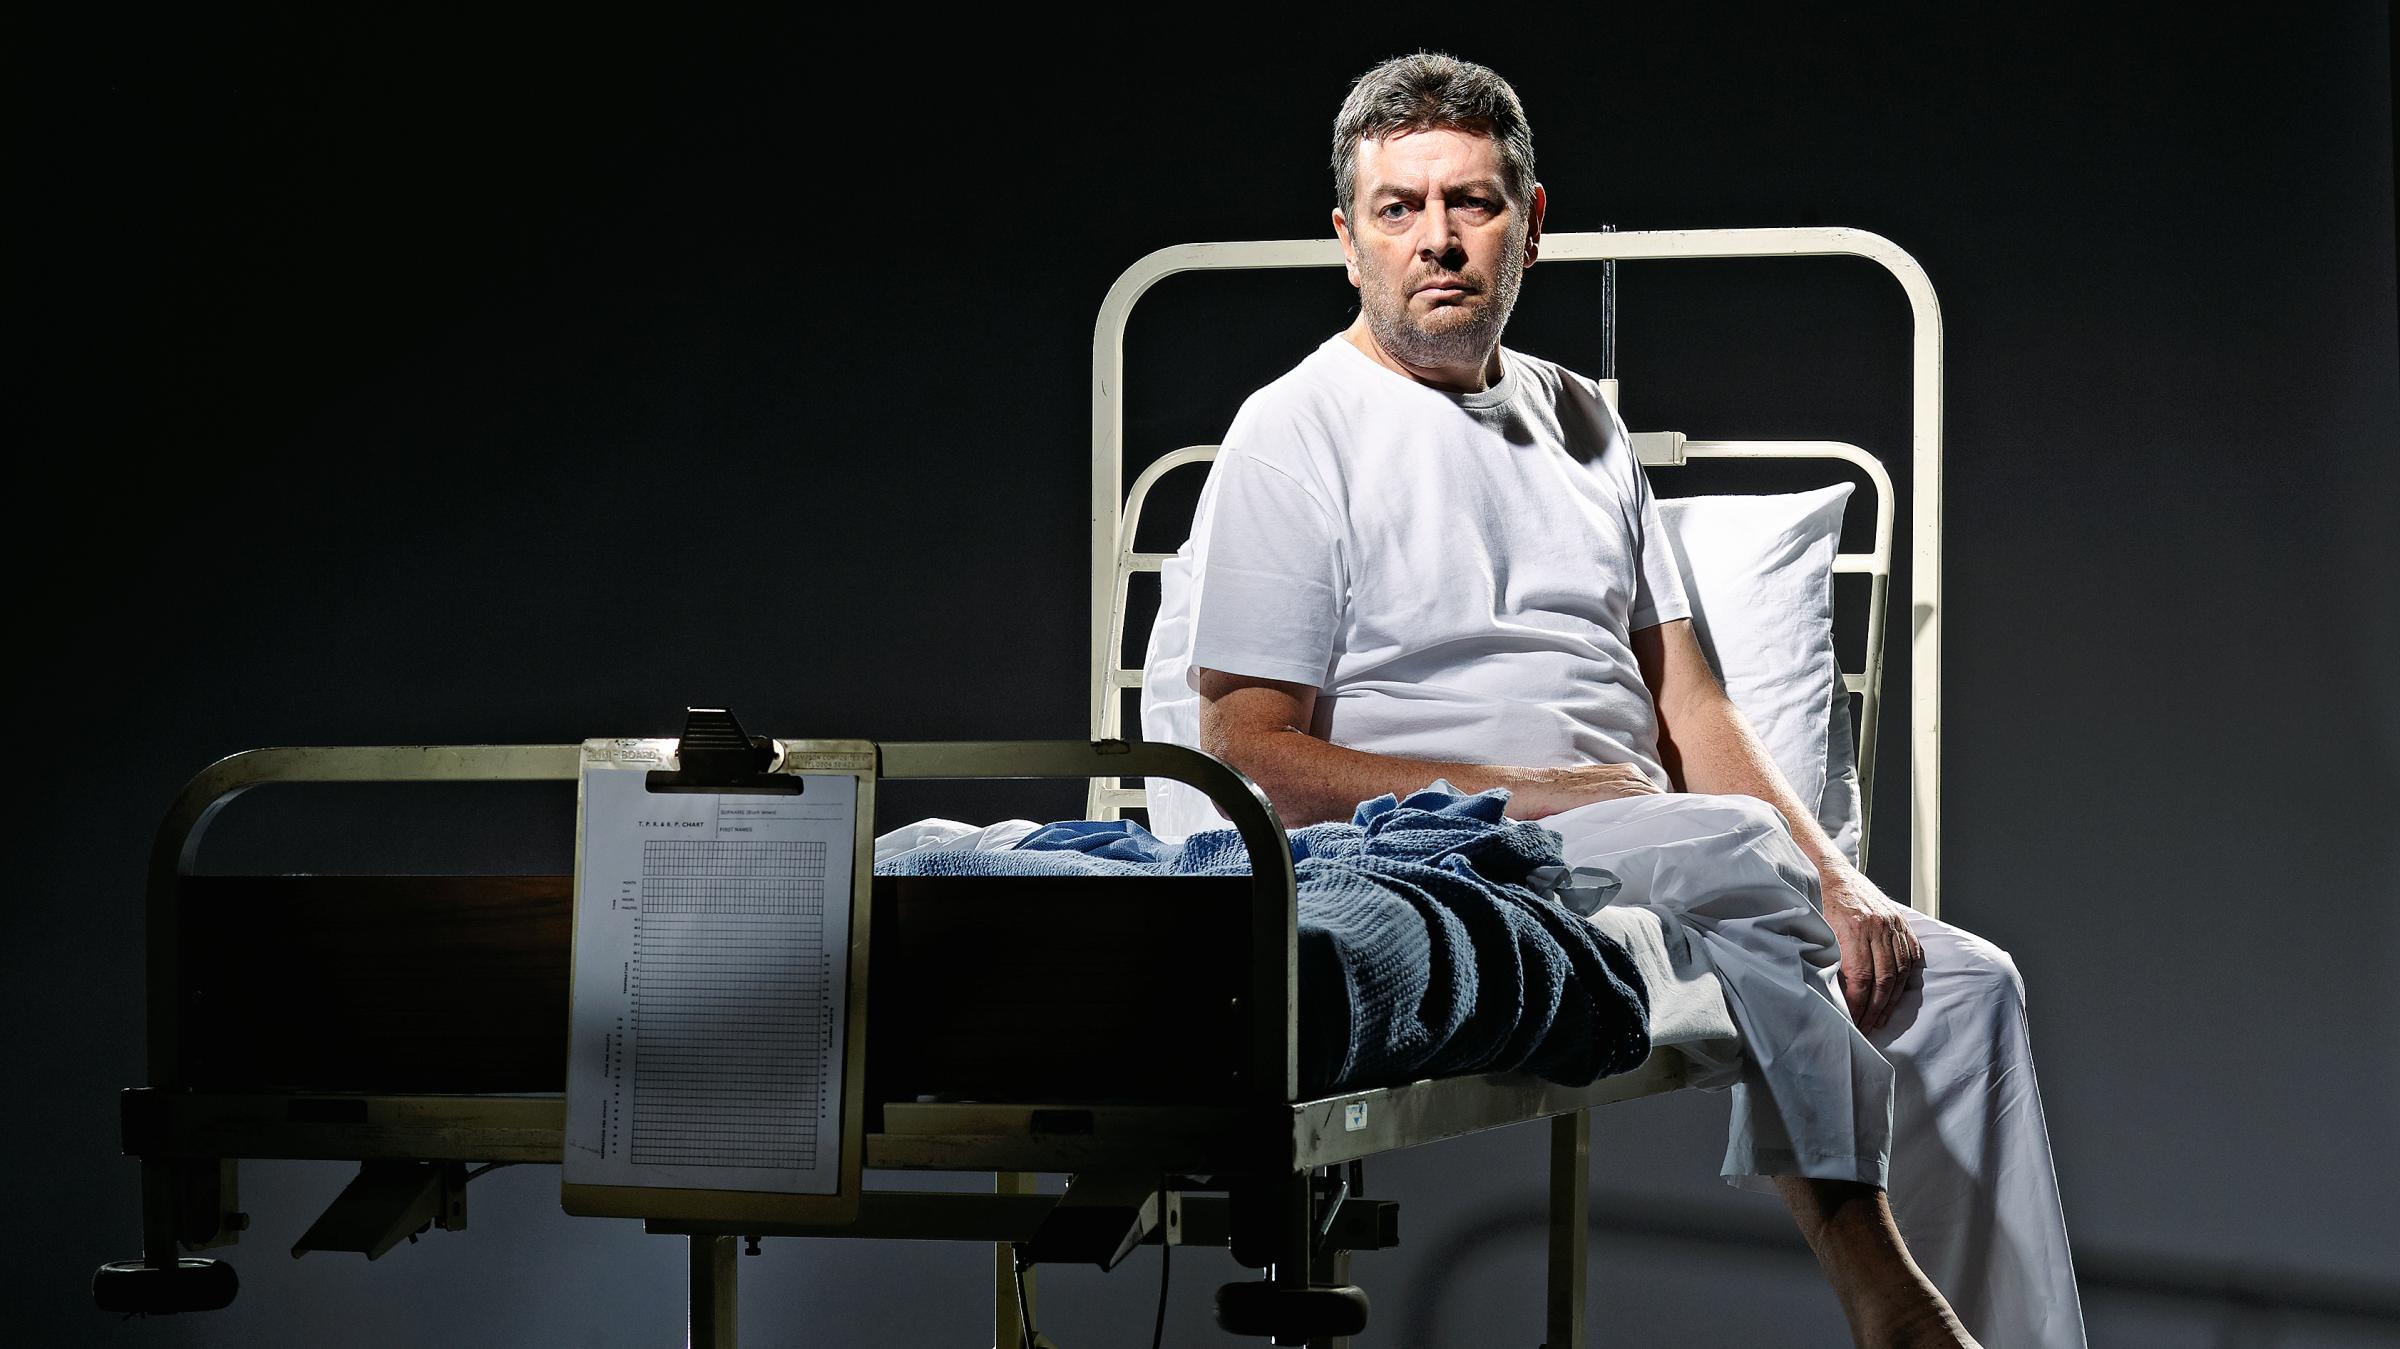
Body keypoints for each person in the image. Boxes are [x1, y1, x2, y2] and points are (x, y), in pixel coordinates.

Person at [1140, 52, 2087, 1349]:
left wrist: (1839, 882)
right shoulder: (1292, 431)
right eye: (1399, 208)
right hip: (1447, 855)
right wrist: (1526, 795)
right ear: (1348, 239)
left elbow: (1690, 702)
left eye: (1471, 203)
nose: (1438, 240)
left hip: (1652, 843)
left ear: (1530, 223)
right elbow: (1250, 747)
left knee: (1966, 987)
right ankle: (1889, 1299)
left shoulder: (1585, 421)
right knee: (1722, 842)